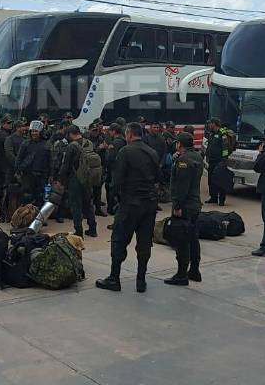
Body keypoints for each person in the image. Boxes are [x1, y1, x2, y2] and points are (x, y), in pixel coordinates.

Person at [97, 123, 159, 293]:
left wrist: (116, 199)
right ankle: (141, 280)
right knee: (145, 243)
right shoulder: (152, 152)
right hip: (149, 204)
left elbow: (117, 180)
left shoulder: (126, 151)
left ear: (129, 134)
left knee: (119, 240)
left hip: (130, 203)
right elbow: (158, 177)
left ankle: (114, 278)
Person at [164, 132, 204, 286]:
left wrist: (178, 205)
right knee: (193, 238)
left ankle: (181, 274)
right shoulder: (197, 156)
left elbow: (182, 186)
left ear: (179, 144)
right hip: (194, 204)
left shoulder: (184, 160)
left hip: (185, 206)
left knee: (182, 240)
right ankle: (194, 270)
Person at [58, 125, 98, 238]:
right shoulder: (89, 143)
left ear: (71, 134)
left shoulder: (72, 146)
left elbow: (66, 165)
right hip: (88, 178)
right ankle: (93, 228)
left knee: (76, 206)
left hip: (75, 179)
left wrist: (61, 179)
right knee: (88, 205)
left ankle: (79, 231)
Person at [16, 121, 50, 207]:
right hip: (28, 175)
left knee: (41, 198)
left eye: (36, 131)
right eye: (32, 131)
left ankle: (39, 219)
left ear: (41, 132)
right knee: (27, 197)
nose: (34, 133)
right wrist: (18, 171)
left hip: (42, 176)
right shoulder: (25, 144)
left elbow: (51, 161)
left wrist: (51, 175)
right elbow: (19, 158)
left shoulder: (46, 144)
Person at [203, 118, 230, 206]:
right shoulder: (211, 133)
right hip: (212, 161)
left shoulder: (222, 134)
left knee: (220, 180)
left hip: (220, 161)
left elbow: (225, 149)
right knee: (211, 180)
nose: (209, 125)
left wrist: (224, 161)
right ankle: (213, 197)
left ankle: (221, 199)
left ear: (214, 124)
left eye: (210, 124)